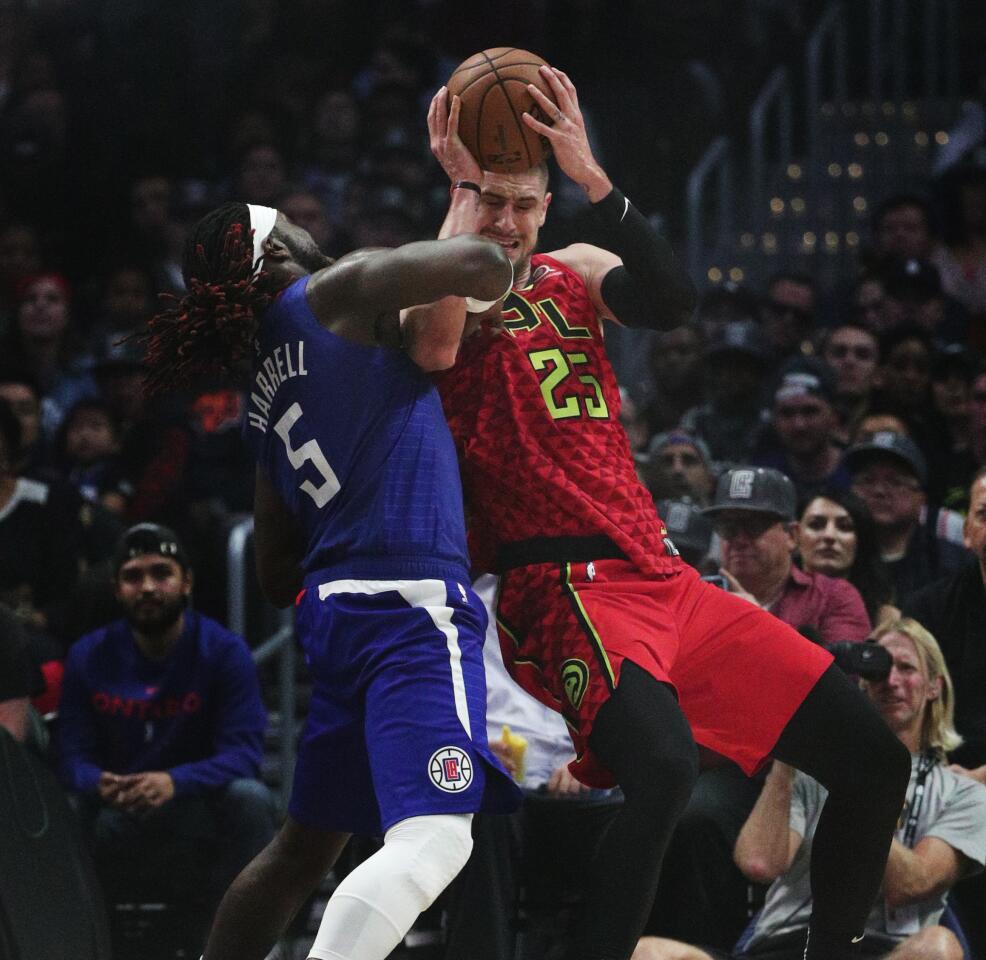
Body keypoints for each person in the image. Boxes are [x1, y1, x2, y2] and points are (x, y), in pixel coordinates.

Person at [428, 66, 910, 960]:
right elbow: (431, 340)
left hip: (662, 577)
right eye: (490, 199)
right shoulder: (437, 291)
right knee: (663, 770)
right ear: (462, 194)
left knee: (874, 761)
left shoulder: (571, 268)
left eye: (522, 203)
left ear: (544, 205)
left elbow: (672, 301)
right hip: (558, 581)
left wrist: (590, 176)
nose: (506, 219)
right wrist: (465, 195)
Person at [138, 201, 520, 960]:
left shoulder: (262, 393)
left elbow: (277, 573)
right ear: (274, 247)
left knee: (301, 853)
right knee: (438, 839)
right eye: (291, 224)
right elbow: (485, 265)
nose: (314, 232)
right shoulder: (337, 290)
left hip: (338, 617)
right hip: (411, 604)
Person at [634, 617, 986, 960]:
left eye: (906, 669)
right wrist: (792, 751)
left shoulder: (963, 794)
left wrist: (864, 789)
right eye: (878, 671)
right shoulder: (815, 775)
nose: (890, 681)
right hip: (783, 945)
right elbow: (759, 863)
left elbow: (911, 885)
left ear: (934, 686)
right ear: (863, 685)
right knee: (649, 952)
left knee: (938, 948)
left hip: (881, 949)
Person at [647, 468, 872, 951]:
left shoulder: (833, 596)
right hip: (704, 756)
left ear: (791, 534)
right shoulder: (692, 596)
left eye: (753, 526)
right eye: (728, 528)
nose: (738, 540)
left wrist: (758, 625)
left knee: (695, 819)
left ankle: (703, 948)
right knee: (627, 807)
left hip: (795, 769)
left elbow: (841, 689)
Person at [58, 523, 278, 913]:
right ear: (116, 589)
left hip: (196, 803)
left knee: (251, 799)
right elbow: (72, 757)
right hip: (119, 807)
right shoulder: (87, 656)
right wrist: (100, 782)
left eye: (161, 573)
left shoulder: (225, 652)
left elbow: (244, 755)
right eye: (132, 576)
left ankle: (251, 941)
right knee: (67, 806)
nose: (147, 587)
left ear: (187, 582)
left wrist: (174, 781)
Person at [903, 466, 986, 956]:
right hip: (941, 781)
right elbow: (902, 704)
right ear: (969, 531)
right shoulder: (930, 609)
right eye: (985, 515)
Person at [845, 431, 971, 601]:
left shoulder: (952, 561)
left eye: (895, 482)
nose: (879, 491)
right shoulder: (838, 554)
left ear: (920, 499)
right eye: (867, 480)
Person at [796, 487, 897, 627]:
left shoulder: (885, 619)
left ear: (861, 540)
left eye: (844, 527)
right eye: (816, 525)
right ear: (794, 535)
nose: (829, 535)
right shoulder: (771, 599)